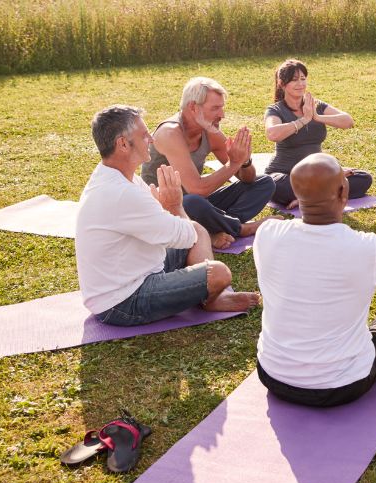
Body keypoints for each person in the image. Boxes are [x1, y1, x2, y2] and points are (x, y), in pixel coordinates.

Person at [253, 153, 376, 407]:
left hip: (272, 375)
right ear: (343, 192)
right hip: (341, 385)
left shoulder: (267, 233)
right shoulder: (369, 247)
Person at [77, 105, 259, 326]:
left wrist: (169, 210)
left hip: (140, 270)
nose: (151, 140)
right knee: (218, 273)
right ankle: (210, 297)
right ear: (123, 144)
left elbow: (177, 228)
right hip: (122, 302)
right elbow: (184, 235)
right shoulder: (120, 192)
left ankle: (210, 296)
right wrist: (175, 206)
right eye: (144, 135)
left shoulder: (117, 176)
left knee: (199, 229)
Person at [141, 77, 277, 250]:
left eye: (221, 108)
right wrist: (234, 163)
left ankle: (217, 227)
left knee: (264, 183)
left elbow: (248, 179)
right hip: (164, 210)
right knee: (193, 202)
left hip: (198, 205)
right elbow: (197, 189)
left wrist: (245, 161)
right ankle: (240, 228)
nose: (222, 115)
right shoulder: (170, 133)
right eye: (215, 108)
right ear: (193, 107)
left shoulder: (208, 130)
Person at [264, 58, 372, 210]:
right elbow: (272, 134)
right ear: (282, 84)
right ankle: (324, 195)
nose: (300, 84)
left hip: (316, 174)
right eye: (294, 80)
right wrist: (303, 120)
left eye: (303, 79)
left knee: (363, 178)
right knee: (271, 185)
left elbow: (348, 121)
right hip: (285, 174)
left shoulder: (316, 106)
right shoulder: (275, 110)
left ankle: (307, 198)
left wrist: (317, 117)